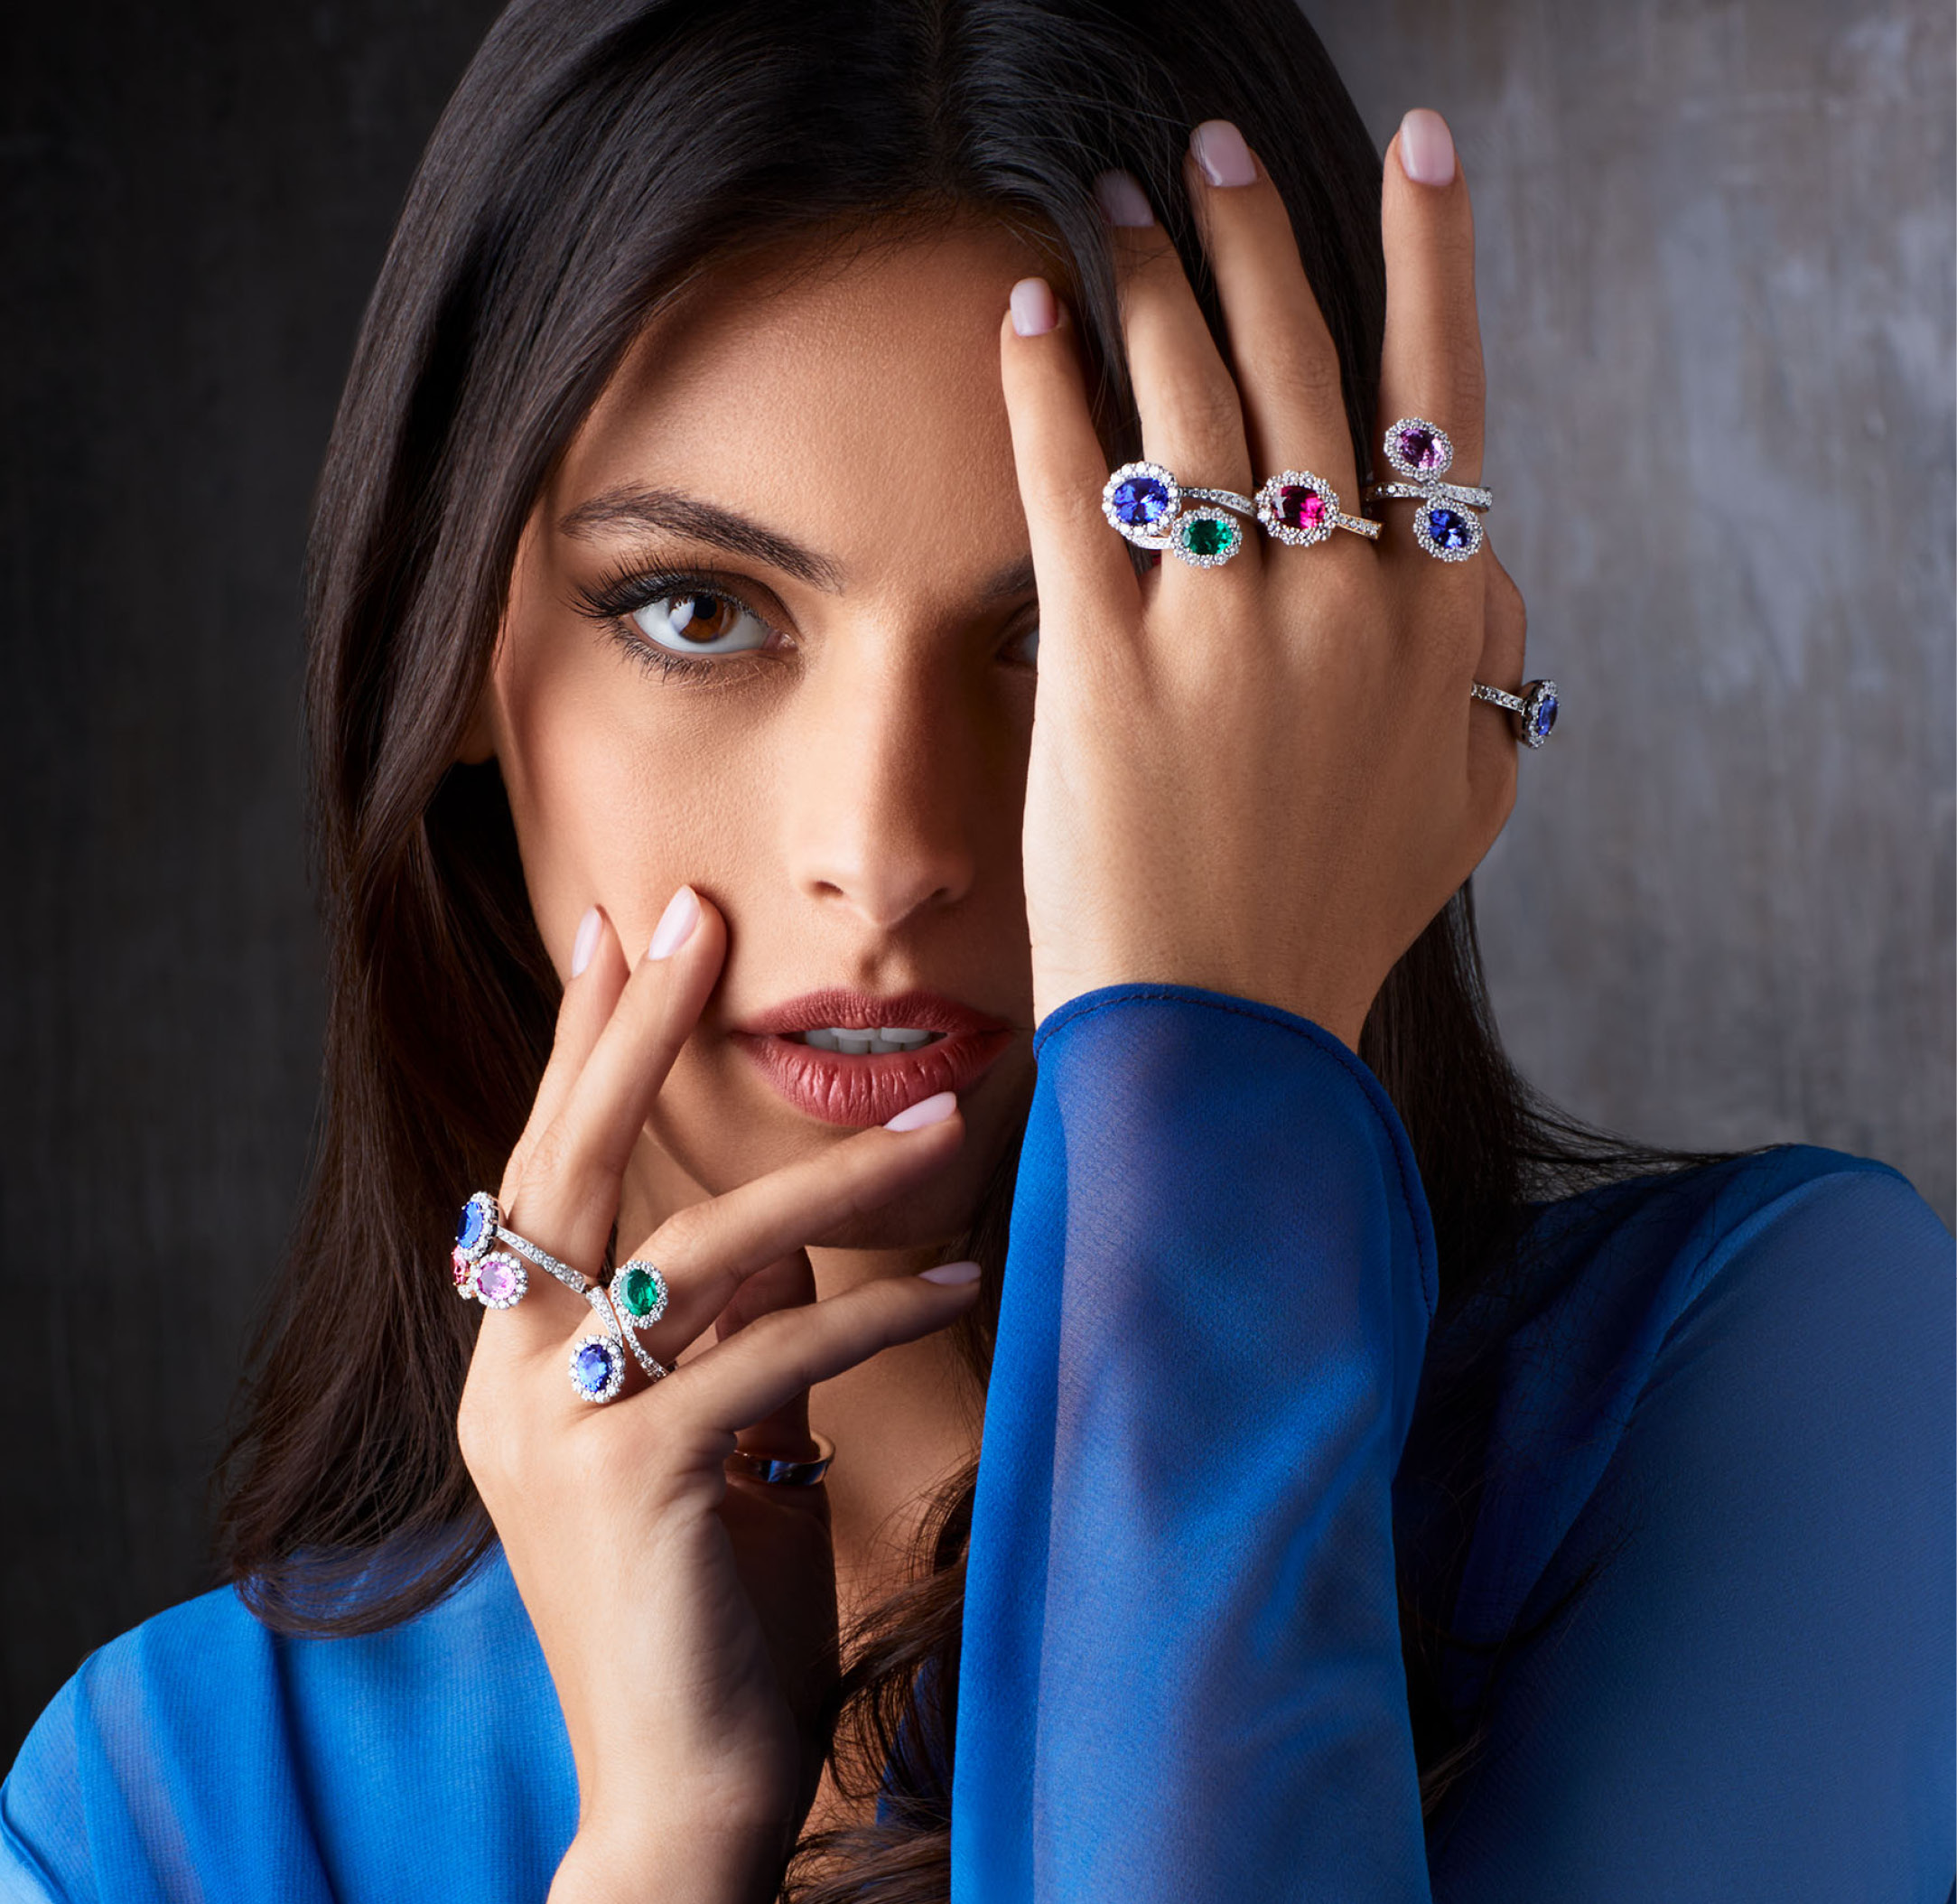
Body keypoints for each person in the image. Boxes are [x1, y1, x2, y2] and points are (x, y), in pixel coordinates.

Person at [4, 1, 1951, 1899]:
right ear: (455, 677)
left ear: (1336, 688)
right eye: (695, 609)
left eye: (1064, 638)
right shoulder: (164, 1807)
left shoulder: (1764, 1409)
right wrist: (665, 1847)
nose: (886, 851)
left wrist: (1216, 1051)